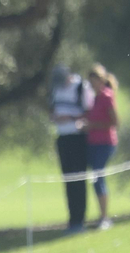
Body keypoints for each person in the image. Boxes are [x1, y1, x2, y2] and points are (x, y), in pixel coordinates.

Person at [49, 66, 94, 233]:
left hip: (78, 138)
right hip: (62, 138)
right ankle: (72, 219)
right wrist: (55, 117)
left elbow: (90, 112)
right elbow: (53, 109)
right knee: (68, 179)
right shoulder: (56, 89)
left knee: (78, 178)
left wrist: (69, 117)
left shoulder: (82, 87)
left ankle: (80, 220)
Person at [83, 64, 119, 229]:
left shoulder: (106, 96)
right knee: (96, 178)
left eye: (94, 82)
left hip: (105, 143)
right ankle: (102, 217)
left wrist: (92, 126)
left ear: (101, 80)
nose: (92, 86)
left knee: (98, 177)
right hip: (93, 143)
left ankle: (104, 218)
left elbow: (115, 122)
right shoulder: (94, 98)